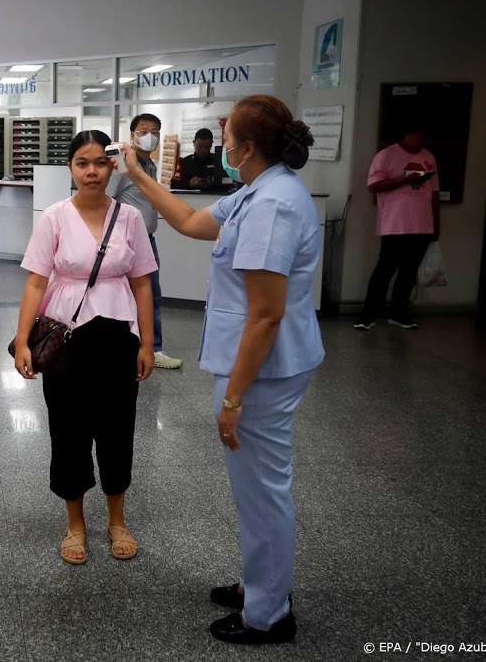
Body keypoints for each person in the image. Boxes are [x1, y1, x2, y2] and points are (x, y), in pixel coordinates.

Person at [121, 95, 324, 645]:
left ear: (247, 146)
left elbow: (265, 314)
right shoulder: (257, 190)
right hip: (256, 367)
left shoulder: (272, 206)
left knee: (262, 492)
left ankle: (269, 614)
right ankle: (264, 584)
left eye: (227, 132)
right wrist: (137, 172)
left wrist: (233, 400)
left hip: (261, 372)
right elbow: (187, 219)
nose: (220, 137)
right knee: (256, 489)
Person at [13, 130, 157, 567]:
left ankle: (117, 520)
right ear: (71, 168)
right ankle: (75, 523)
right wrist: (22, 341)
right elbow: (37, 280)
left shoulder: (129, 217)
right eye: (82, 163)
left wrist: (148, 342)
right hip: (67, 336)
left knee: (117, 429)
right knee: (69, 430)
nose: (91, 171)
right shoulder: (54, 217)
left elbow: (142, 283)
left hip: (117, 335)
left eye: (99, 162)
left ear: (113, 165)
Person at [106, 113, 183, 371]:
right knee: (131, 295)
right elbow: (105, 200)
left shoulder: (148, 165)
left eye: (154, 132)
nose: (149, 136)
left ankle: (151, 347)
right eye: (143, 131)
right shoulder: (122, 164)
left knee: (151, 296)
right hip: (125, 242)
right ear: (132, 134)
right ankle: (138, 347)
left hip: (147, 240)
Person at [354, 123, 440, 330]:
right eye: (417, 136)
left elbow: (435, 192)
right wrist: (404, 179)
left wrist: (436, 224)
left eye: (424, 137)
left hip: (422, 225)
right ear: (405, 135)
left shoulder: (429, 156)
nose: (421, 141)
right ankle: (368, 315)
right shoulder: (386, 155)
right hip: (395, 224)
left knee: (409, 272)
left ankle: (399, 313)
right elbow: (373, 186)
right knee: (384, 270)